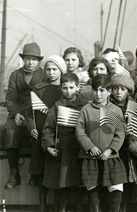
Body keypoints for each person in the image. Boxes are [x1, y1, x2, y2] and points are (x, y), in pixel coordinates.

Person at [76, 74, 127, 212]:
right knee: (93, 188)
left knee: (116, 186)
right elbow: (80, 132)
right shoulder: (86, 110)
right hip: (90, 157)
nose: (98, 94)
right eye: (95, 90)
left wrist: (110, 150)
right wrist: (90, 147)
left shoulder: (115, 111)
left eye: (102, 90)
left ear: (109, 91)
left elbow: (120, 133)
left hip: (110, 157)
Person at [3, 42, 47, 189]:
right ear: (23, 59)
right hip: (18, 113)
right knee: (10, 131)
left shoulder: (44, 74)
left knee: (38, 134)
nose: (30, 62)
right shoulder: (15, 75)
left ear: (39, 61)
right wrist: (15, 114)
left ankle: (36, 174)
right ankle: (14, 174)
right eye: (27, 58)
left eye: (34, 59)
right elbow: (10, 98)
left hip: (36, 113)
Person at [25, 55, 66, 212]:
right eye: (48, 69)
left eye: (54, 69)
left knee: (57, 177)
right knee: (42, 177)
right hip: (41, 137)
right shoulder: (39, 89)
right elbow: (29, 113)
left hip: (59, 138)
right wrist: (32, 127)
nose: (51, 72)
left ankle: (58, 208)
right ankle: (42, 207)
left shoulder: (66, 88)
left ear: (61, 70)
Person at [42, 73, 87, 212]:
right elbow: (47, 128)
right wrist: (49, 145)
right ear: (61, 88)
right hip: (63, 152)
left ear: (78, 87)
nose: (68, 91)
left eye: (71, 87)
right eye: (65, 88)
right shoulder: (56, 106)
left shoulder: (85, 105)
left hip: (80, 149)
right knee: (62, 188)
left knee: (81, 187)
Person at [109, 74, 137, 212]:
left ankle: (125, 207)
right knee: (113, 182)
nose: (119, 92)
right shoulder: (107, 106)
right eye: (116, 88)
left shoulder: (134, 107)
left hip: (128, 151)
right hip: (113, 149)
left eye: (123, 89)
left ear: (129, 91)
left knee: (128, 180)